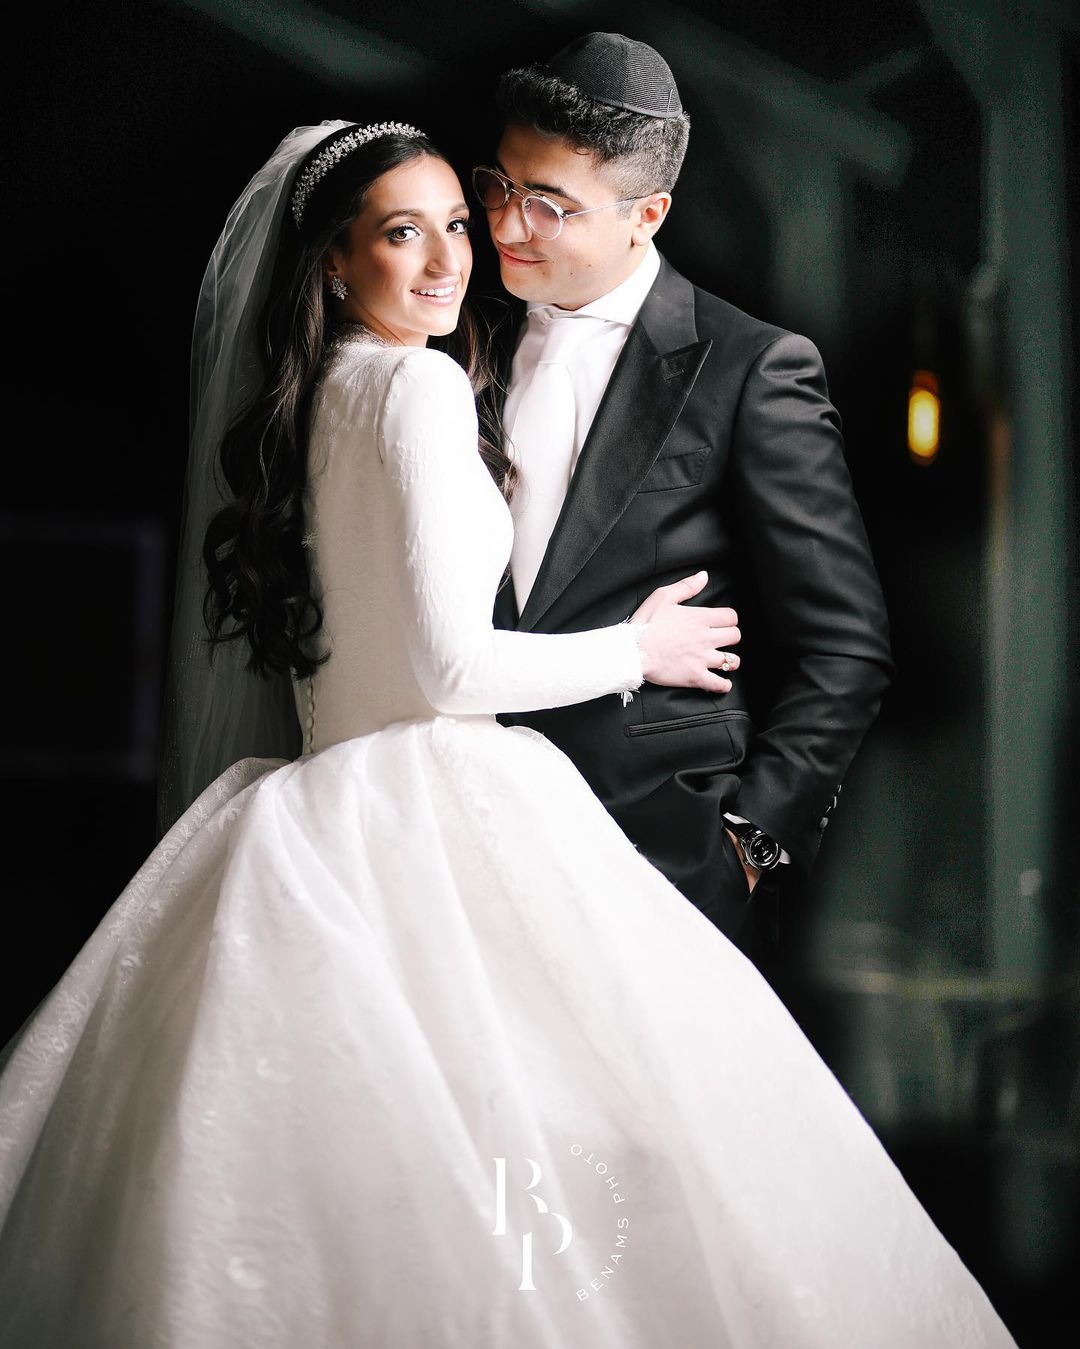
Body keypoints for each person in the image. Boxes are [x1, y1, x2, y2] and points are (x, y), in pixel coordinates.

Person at [0, 121, 1016, 1348]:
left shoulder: (320, 396)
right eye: (401, 233)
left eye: (454, 225)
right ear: (333, 262)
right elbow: (451, 667)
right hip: (434, 809)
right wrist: (637, 648)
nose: (447, 260)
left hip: (315, 807)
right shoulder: (421, 385)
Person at [479, 33, 895, 960]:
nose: (507, 223)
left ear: (648, 214)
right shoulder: (458, 340)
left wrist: (750, 847)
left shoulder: (754, 368)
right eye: (500, 183)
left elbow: (846, 646)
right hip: (463, 838)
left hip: (662, 861)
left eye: (549, 204)